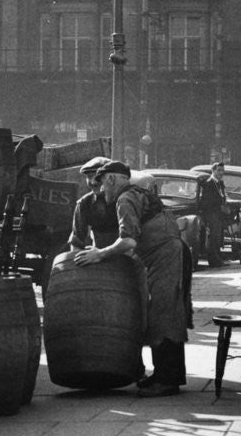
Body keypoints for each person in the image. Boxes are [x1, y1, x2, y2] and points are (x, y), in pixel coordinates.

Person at [73, 160, 187, 398]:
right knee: (164, 312)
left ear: (112, 179)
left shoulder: (125, 199)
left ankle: (168, 381)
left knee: (164, 314)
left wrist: (99, 254)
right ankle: (163, 375)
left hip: (164, 255)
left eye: (102, 183)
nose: (101, 189)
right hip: (163, 253)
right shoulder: (135, 193)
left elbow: (129, 241)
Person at [68, 156, 118, 251]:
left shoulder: (126, 199)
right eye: (89, 177)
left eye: (98, 177)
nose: (93, 182)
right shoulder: (84, 203)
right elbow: (77, 241)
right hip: (99, 257)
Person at [199, 161, 228, 267]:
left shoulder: (220, 183)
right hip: (212, 214)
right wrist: (218, 205)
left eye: (222, 170)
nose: (221, 173)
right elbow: (206, 201)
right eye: (219, 170)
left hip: (219, 214)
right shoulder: (209, 184)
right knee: (214, 237)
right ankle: (213, 260)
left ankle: (218, 258)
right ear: (213, 170)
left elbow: (222, 196)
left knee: (218, 237)